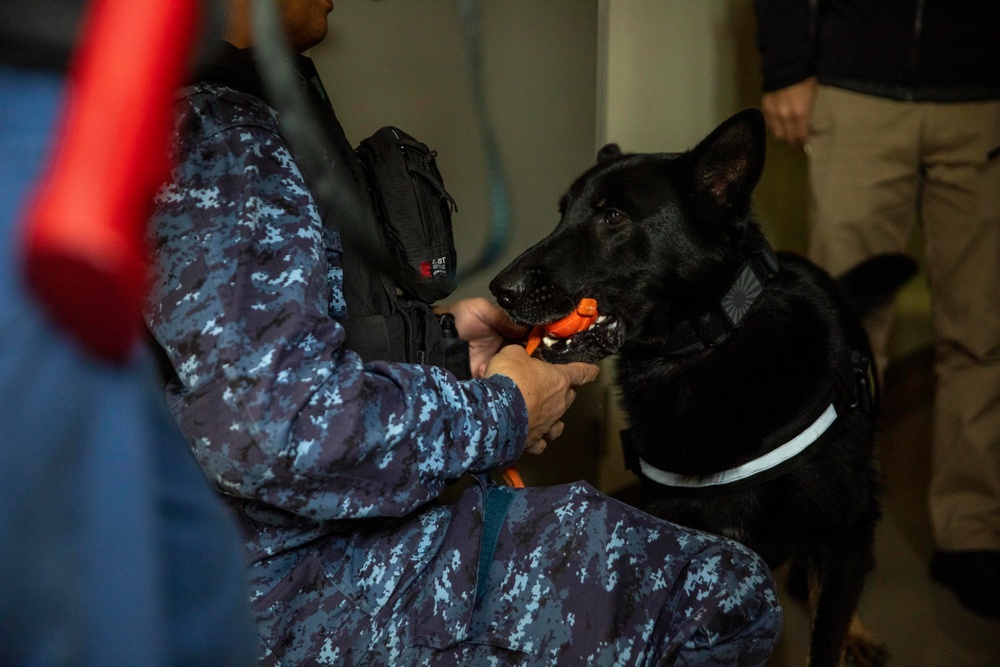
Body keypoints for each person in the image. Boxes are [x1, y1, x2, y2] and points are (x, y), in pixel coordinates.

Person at [144, 0, 784, 663]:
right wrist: (505, 411)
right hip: (278, 593)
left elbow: (256, 355)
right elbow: (275, 433)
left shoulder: (217, 111)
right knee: (726, 595)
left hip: (255, 555)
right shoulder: (221, 142)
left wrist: (443, 344)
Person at [0, 0, 257, 664]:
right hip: (48, 120)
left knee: (196, 593)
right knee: (89, 620)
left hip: (83, 95)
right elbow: (270, 427)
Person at [754, 0, 1000, 619]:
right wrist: (786, 66)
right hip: (857, 90)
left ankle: (973, 537)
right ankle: (826, 531)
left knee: (984, 331)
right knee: (840, 331)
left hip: (982, 98)